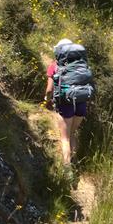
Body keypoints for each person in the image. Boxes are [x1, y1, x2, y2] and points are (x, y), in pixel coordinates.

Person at [44, 38, 91, 166]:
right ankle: (74, 163)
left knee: (65, 138)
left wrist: (47, 101)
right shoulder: (81, 65)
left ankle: (67, 169)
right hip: (81, 102)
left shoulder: (54, 65)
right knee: (72, 133)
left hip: (65, 104)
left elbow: (49, 90)